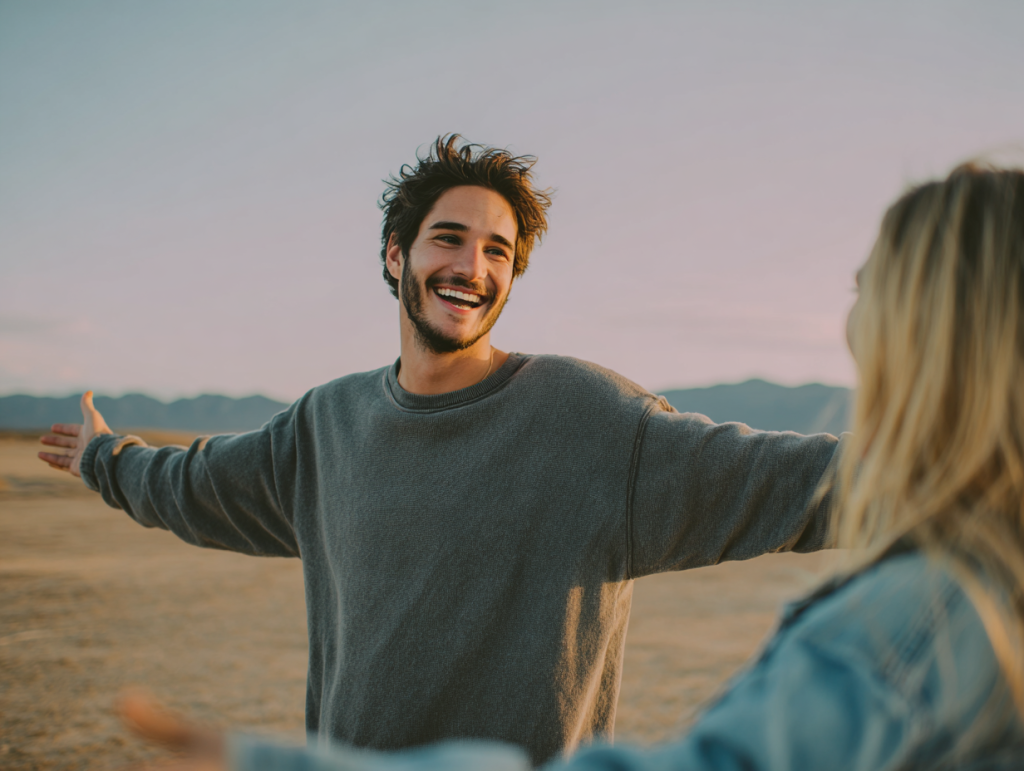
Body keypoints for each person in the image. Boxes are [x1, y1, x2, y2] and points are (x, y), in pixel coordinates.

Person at [119, 162, 1024, 770]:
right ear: (395, 255)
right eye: (448, 238)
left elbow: (790, 480)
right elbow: (196, 483)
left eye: (498, 250)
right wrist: (105, 459)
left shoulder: (590, 420)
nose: (472, 264)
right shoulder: (324, 423)